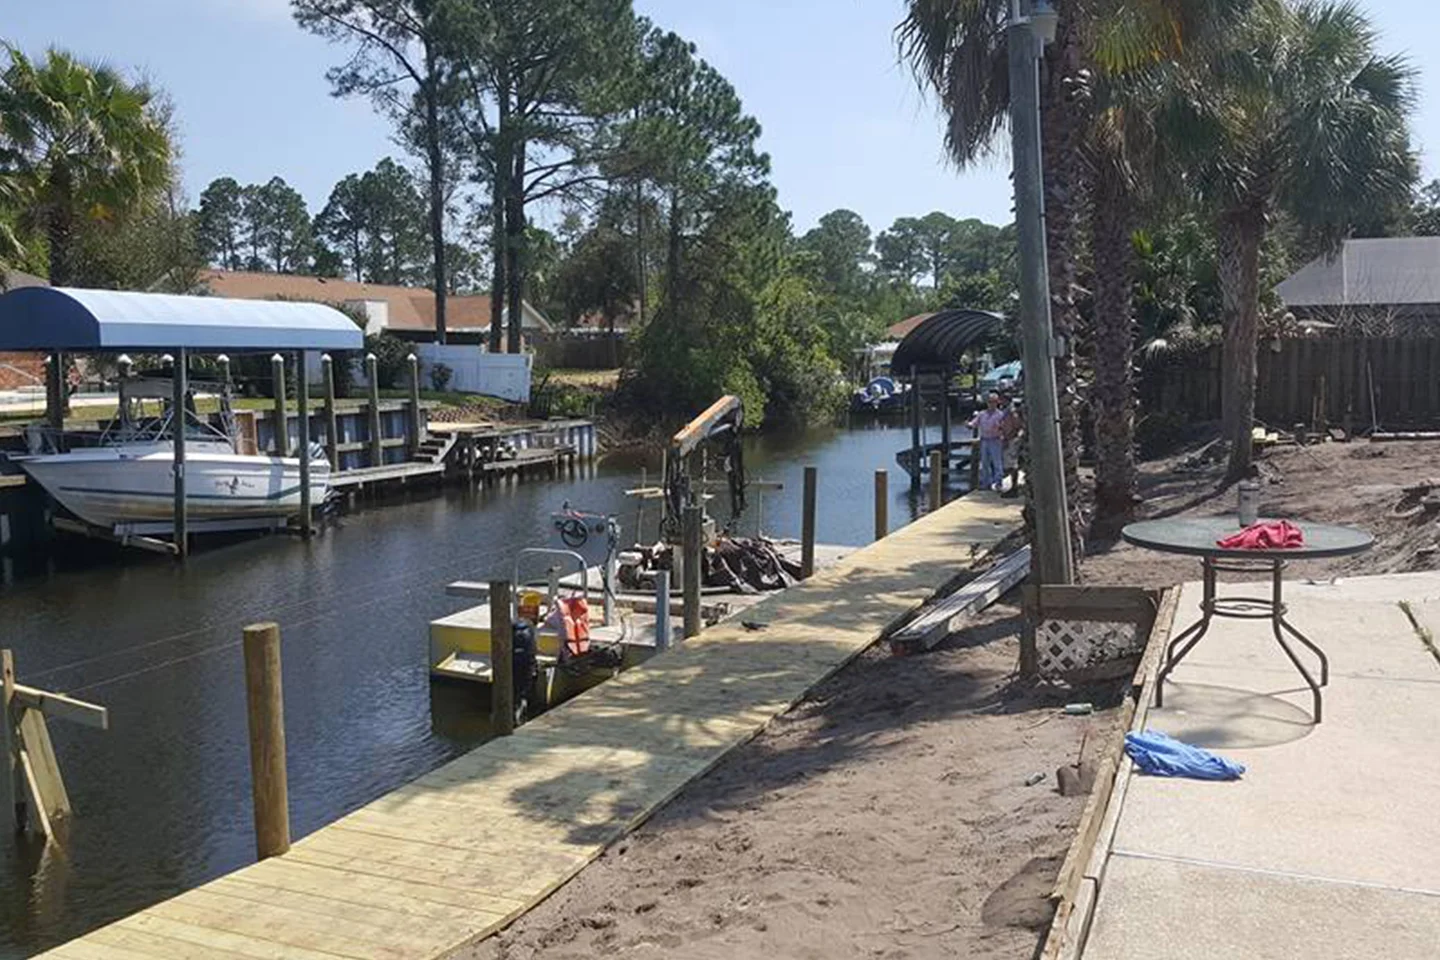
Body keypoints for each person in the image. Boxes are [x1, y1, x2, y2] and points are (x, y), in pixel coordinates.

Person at [968, 391, 1007, 491]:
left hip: (996, 440)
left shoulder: (1000, 415)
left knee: (997, 463)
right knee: (985, 463)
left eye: (993, 401)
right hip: (984, 440)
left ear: (997, 402)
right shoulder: (982, 414)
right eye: (989, 401)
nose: (991, 404)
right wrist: (969, 425)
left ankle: (998, 483)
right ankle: (986, 484)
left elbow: (1005, 428)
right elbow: (974, 423)